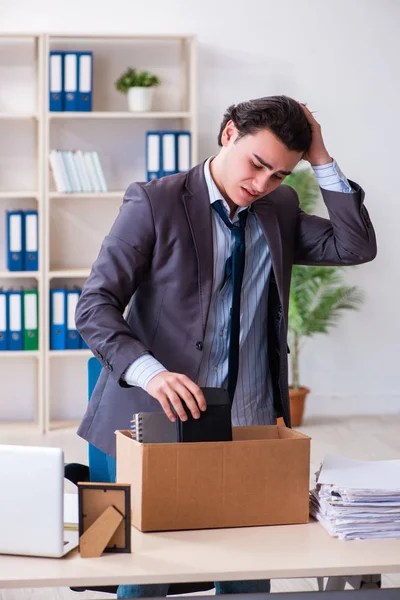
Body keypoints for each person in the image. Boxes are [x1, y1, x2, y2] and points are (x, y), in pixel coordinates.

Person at [75, 95, 377, 598]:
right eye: (257, 164)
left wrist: (320, 158)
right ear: (229, 133)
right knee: (141, 574)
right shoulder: (154, 201)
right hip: (151, 415)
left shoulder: (277, 206)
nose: (261, 185)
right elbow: (94, 306)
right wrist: (152, 372)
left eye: (279, 174)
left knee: (248, 569)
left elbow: (355, 245)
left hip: (249, 418)